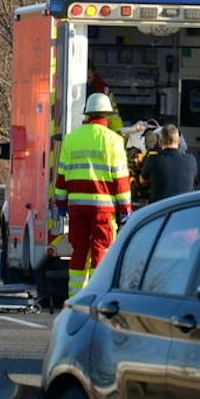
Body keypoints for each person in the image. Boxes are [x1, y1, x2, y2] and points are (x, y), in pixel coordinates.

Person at [53, 92, 133, 296]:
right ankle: (97, 295)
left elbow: (62, 176)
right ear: (108, 115)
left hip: (77, 208)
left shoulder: (71, 139)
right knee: (101, 250)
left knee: (79, 251)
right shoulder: (114, 141)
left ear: (87, 114)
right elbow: (121, 179)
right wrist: (125, 209)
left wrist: (61, 204)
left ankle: (75, 296)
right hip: (103, 210)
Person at [141, 124, 200, 202]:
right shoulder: (191, 160)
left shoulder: (153, 159)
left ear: (160, 141)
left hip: (160, 207)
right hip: (184, 206)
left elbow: (143, 181)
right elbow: (194, 181)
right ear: (179, 141)